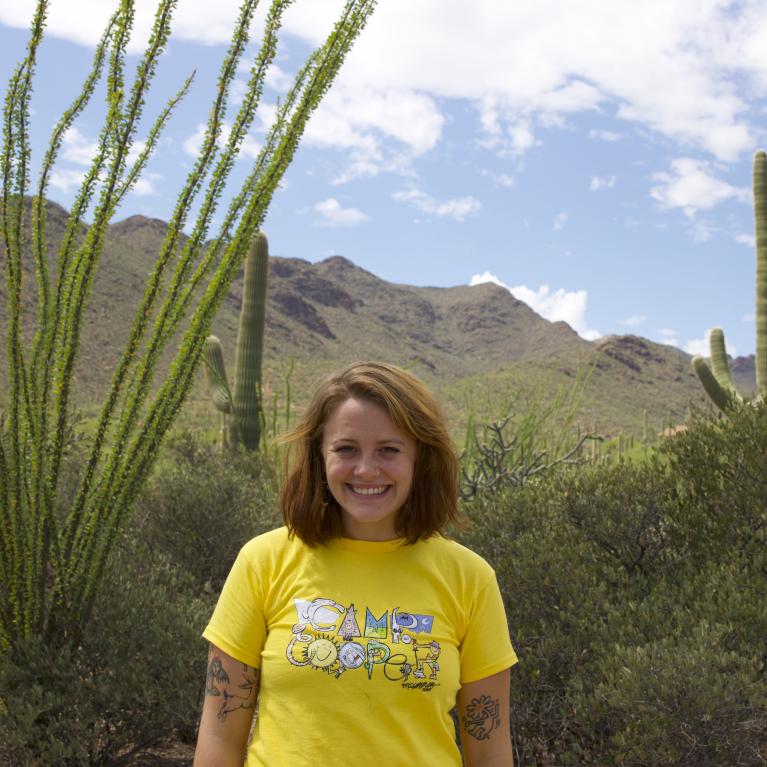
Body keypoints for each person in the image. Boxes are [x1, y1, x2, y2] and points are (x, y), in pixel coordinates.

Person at [194, 361, 518, 766]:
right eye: (346, 449)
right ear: (319, 456)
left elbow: (489, 754)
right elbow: (220, 736)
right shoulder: (263, 562)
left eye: (389, 449)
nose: (366, 469)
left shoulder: (469, 578)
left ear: (420, 458)